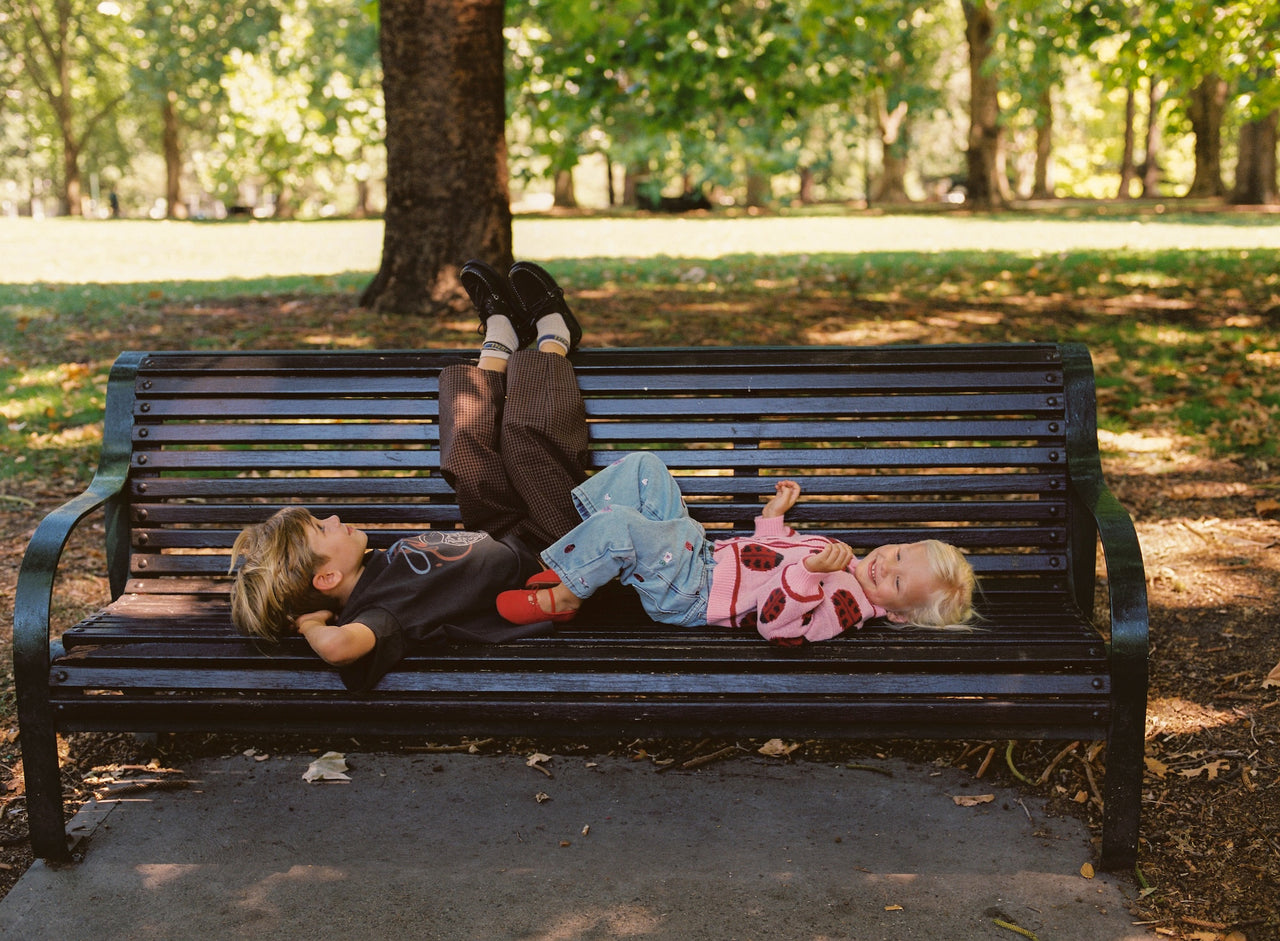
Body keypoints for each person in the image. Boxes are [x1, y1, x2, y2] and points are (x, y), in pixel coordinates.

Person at [228, 259, 588, 690]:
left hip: (503, 533)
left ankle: (500, 343)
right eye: (322, 529)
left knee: (464, 457)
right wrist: (308, 623)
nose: (334, 520)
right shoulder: (381, 613)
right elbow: (340, 648)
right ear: (326, 579)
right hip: (553, 555)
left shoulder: (375, 571)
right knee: (524, 437)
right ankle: (554, 338)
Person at [496, 452, 977, 643]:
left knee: (625, 523)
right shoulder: (843, 556)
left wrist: (810, 574)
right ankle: (594, 560)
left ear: (897, 614)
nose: (884, 566)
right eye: (898, 554)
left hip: (691, 594)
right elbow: (771, 554)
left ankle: (568, 593)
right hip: (699, 556)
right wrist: (774, 517)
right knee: (646, 469)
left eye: (897, 581)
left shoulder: (845, 606)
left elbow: (776, 624)